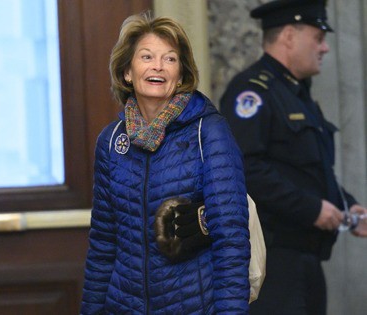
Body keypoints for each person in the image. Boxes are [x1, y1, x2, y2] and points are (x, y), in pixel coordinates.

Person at [80, 12, 250, 314]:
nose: (158, 66)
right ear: (127, 72)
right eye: (146, 56)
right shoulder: (111, 141)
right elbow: (104, 244)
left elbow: (232, 240)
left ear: (182, 75)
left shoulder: (208, 132)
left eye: (170, 59)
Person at [218, 0, 367, 314]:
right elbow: (245, 168)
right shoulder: (253, 92)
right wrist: (312, 208)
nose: (325, 48)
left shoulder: (297, 93)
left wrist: (345, 204)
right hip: (275, 261)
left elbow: (308, 169)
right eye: (318, 38)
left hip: (308, 258)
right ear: (288, 36)